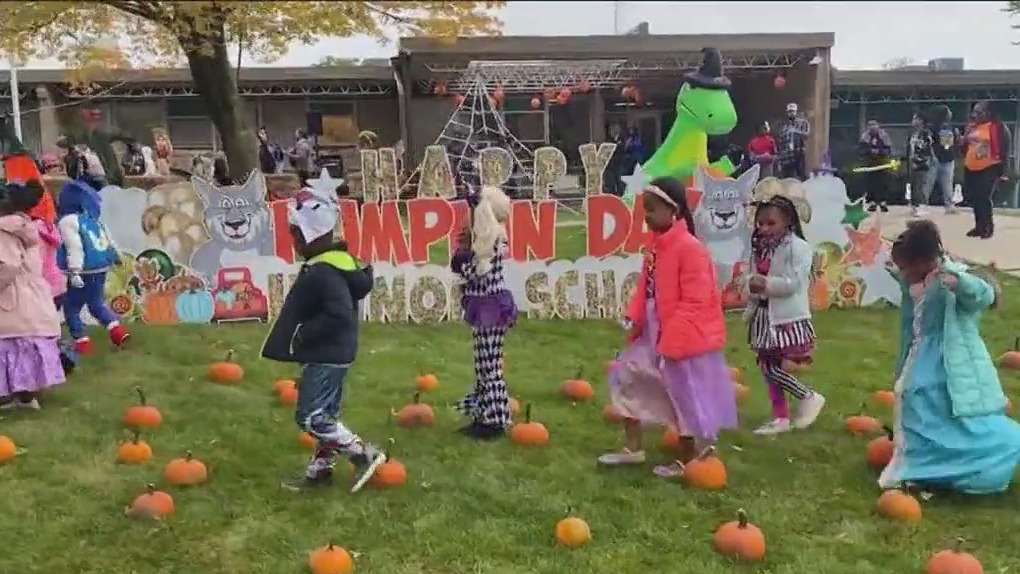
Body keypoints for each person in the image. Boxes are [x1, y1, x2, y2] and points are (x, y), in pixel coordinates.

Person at [599, 177, 737, 476]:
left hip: (681, 338)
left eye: (651, 209)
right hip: (652, 332)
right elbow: (644, 289)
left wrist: (675, 340)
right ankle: (633, 449)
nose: (645, 216)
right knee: (626, 376)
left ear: (673, 210)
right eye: (644, 209)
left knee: (683, 394)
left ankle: (690, 460)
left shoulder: (691, 249)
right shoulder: (655, 248)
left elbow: (697, 300)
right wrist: (633, 317)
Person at [261, 186, 385, 492]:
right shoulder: (332, 265)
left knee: (311, 416)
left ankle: (362, 453)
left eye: (297, 236)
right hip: (333, 352)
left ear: (311, 235)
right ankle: (320, 471)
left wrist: (304, 334)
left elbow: (339, 313)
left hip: (326, 353)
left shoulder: (324, 272)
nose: (294, 242)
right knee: (327, 414)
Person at [881, 220, 1020, 493]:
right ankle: (922, 465)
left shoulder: (952, 277)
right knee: (918, 410)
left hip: (951, 360)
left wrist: (959, 282)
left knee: (954, 410)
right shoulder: (912, 284)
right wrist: (901, 365)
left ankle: (968, 466)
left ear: (925, 260)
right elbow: (910, 328)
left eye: (907, 266)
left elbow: (983, 295)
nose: (904, 272)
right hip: (920, 357)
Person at [744, 195, 826, 435]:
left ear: (788, 221)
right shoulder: (760, 247)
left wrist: (765, 284)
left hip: (785, 318)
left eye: (771, 223)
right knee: (766, 365)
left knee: (773, 368)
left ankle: (807, 396)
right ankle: (780, 417)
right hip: (762, 316)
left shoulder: (799, 248)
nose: (764, 228)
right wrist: (750, 285)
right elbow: (752, 277)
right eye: (760, 223)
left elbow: (793, 284)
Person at [451, 185, 518, 440]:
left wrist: (463, 254)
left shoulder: (493, 240)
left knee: (490, 366)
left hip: (490, 307)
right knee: (483, 364)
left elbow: (473, 271)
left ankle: (495, 420)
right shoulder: (489, 238)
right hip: (485, 306)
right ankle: (485, 413)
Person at [0, 182, 66, 411]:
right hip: (32, 296)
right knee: (25, 344)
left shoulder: (4, 232)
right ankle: (26, 396)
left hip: (11, 298)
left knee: (11, 344)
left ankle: (9, 397)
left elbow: (7, 265)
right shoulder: (26, 228)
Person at [56, 177, 129, 353]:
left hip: (83, 270)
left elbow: (75, 246)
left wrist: (74, 271)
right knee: (96, 304)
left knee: (71, 308)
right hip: (101, 267)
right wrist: (117, 256)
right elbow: (107, 239)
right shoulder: (93, 220)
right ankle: (117, 330)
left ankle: (82, 342)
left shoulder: (68, 221)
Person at [24, 180, 75, 373]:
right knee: (50, 325)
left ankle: (56, 361)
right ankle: (62, 356)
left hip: (41, 287)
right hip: (56, 284)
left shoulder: (32, 232)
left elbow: (34, 264)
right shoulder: (49, 227)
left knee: (38, 329)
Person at [962, 101, 1012, 239]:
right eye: (974, 112)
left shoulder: (998, 128)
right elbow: (964, 147)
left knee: (983, 196)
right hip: (971, 167)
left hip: (989, 167)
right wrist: (963, 137)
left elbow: (1005, 150)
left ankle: (987, 227)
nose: (974, 115)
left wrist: (1003, 172)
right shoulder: (972, 127)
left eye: (978, 112)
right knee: (974, 197)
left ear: (988, 113)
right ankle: (979, 226)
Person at [927, 105, 960, 213]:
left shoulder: (951, 127)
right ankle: (921, 203)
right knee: (928, 183)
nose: (950, 113)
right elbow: (944, 144)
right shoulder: (934, 128)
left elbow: (952, 143)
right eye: (948, 111)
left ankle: (949, 205)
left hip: (948, 159)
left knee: (947, 184)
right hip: (936, 159)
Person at [859, 119, 894, 212]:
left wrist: (880, 152)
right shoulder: (864, 137)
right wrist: (870, 151)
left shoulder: (884, 136)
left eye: (874, 124)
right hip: (869, 164)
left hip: (882, 163)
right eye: (870, 125)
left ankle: (883, 202)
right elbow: (860, 151)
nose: (872, 126)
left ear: (878, 125)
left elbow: (888, 150)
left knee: (883, 183)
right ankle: (872, 202)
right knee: (870, 183)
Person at [904, 113, 935, 217]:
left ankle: (922, 206)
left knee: (921, 185)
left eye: (915, 119)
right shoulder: (912, 134)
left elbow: (927, 147)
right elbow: (909, 148)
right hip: (911, 162)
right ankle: (914, 205)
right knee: (913, 185)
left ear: (921, 121)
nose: (913, 121)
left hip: (922, 162)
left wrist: (920, 158)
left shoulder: (926, 133)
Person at [777, 103, 810, 181]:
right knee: (787, 177)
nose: (791, 113)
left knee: (801, 174)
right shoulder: (785, 126)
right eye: (789, 112)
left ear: (796, 112)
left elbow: (806, 135)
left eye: (793, 111)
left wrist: (795, 132)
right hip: (786, 155)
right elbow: (781, 141)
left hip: (798, 152)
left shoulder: (803, 123)